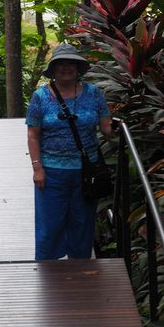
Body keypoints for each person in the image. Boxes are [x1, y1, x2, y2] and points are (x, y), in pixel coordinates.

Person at [26, 43, 113, 260]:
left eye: (71, 64)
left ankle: (80, 267)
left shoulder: (93, 93)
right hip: (52, 170)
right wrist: (37, 168)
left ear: (78, 68)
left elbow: (106, 126)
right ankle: (48, 270)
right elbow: (33, 135)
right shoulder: (40, 96)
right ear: (53, 69)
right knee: (50, 222)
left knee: (82, 221)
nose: (66, 68)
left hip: (87, 170)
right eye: (60, 64)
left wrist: (119, 129)